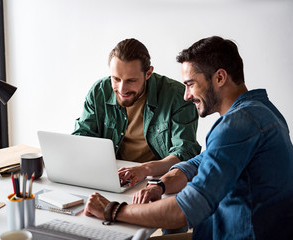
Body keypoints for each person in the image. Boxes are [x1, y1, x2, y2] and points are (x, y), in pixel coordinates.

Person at [84, 36, 293, 240]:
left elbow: (186, 209)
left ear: (220, 77)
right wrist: (161, 185)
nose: (186, 95)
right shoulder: (262, 109)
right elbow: (201, 161)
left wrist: (113, 210)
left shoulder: (236, 124)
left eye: (190, 84)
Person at [72, 38, 201, 186]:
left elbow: (184, 153)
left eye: (131, 80)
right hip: (115, 179)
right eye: (116, 79)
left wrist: (144, 169)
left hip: (157, 181)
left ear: (148, 73)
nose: (122, 89)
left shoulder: (178, 97)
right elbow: (82, 137)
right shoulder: (99, 91)